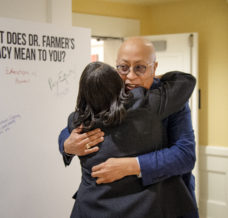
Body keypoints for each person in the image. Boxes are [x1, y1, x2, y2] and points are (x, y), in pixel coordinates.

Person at [58, 37, 198, 218]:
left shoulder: (171, 98)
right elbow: (74, 123)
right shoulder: (108, 91)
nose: (130, 76)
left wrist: (132, 165)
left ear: (154, 68)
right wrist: (67, 146)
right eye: (123, 68)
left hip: (161, 202)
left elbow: (185, 155)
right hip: (100, 203)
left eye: (140, 68)